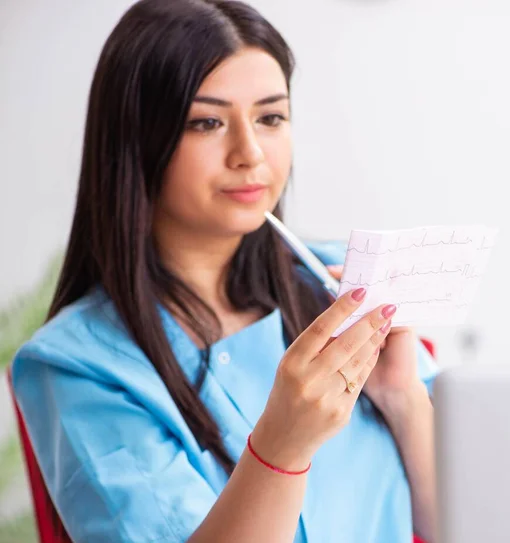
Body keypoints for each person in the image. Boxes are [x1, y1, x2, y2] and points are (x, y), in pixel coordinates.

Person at [11, 1, 438, 541]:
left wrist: (402, 397)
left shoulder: (347, 284)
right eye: (207, 122)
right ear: (136, 139)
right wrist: (281, 447)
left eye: (270, 117)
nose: (250, 153)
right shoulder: (76, 365)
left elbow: (478, 522)